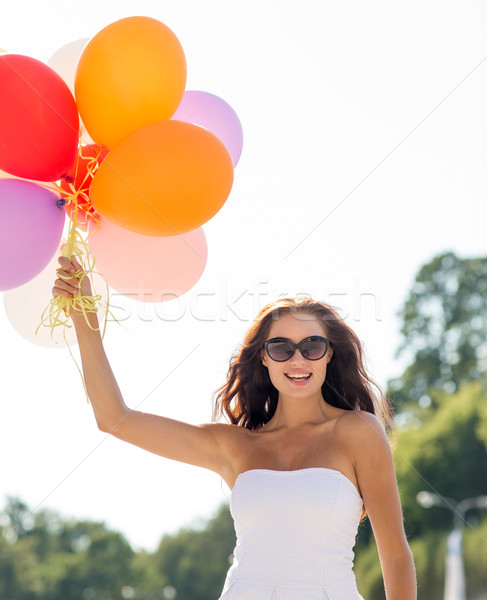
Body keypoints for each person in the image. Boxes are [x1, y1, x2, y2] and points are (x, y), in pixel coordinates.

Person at [53, 255, 417, 600]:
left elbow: (396, 557)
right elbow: (114, 418)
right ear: (264, 357)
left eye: (312, 346)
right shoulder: (234, 446)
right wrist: (84, 319)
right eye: (281, 348)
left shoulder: (358, 432)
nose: (297, 359)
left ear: (330, 353)